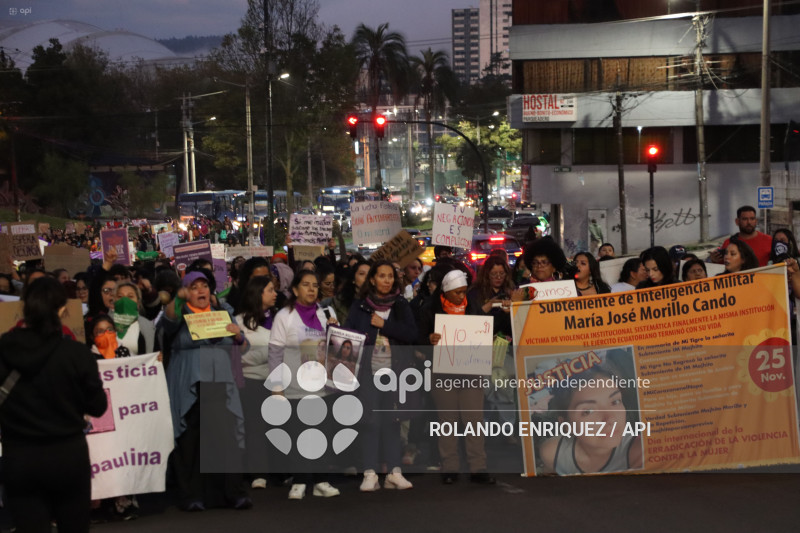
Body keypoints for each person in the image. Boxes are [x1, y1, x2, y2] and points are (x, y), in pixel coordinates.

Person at [0, 277, 108, 532]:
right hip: (67, 456)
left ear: (24, 307)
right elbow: (98, 406)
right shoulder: (76, 354)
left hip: (20, 457)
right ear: (62, 309)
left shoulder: (4, 348)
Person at [161, 271, 252, 511]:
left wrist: (238, 336)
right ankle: (192, 496)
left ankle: (232, 493)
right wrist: (178, 299)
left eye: (204, 286)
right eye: (194, 287)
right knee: (191, 440)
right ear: (185, 292)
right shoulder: (180, 312)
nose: (201, 291)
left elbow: (243, 348)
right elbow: (168, 321)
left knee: (225, 437)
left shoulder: (223, 314)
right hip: (190, 383)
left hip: (220, 383)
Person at [344, 261, 418, 492]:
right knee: (370, 422)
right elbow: (349, 337)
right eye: (381, 276)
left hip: (394, 374)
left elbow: (412, 334)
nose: (386, 280)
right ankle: (370, 473)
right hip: (367, 373)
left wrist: (385, 326)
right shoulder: (360, 306)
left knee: (392, 421)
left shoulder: (400, 305)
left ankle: (394, 472)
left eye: (390, 276)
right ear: (373, 280)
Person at [267, 270, 341, 500]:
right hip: (294, 387)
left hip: (321, 386)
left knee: (322, 433)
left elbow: (335, 348)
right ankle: (299, 480)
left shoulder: (325, 314)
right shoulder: (284, 316)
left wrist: (334, 331)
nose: (311, 289)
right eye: (306, 285)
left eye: (315, 285)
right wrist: (276, 387)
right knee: (299, 434)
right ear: (296, 289)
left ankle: (320, 480)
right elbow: (275, 353)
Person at [417, 269, 495, 486]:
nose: (462, 296)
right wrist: (428, 340)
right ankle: (449, 466)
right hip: (442, 371)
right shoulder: (429, 310)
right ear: (446, 291)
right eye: (457, 293)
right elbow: (418, 338)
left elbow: (482, 331)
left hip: (470, 371)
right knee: (448, 421)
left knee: (473, 421)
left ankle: (478, 467)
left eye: (464, 292)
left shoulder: (472, 307)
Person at [538, 365, 642, 475]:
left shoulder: (639, 450)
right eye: (588, 411)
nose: (610, 418)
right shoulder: (553, 454)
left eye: (615, 402)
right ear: (567, 425)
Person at [235, 274, 278, 491]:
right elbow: (245, 354)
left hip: (278, 380)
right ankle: (258, 472)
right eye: (270, 289)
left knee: (279, 426)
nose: (275, 293)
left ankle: (282, 471)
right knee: (256, 427)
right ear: (257, 293)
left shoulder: (281, 317)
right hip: (252, 382)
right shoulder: (240, 321)